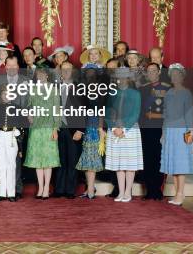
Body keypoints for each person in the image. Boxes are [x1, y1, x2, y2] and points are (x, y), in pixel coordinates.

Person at [105, 67, 143, 203]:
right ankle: (120, 192)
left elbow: (135, 113)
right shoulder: (111, 93)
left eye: (123, 76)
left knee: (130, 165)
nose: (120, 79)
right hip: (114, 130)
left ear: (128, 78)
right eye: (118, 76)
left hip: (130, 131)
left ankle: (128, 192)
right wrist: (114, 127)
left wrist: (123, 128)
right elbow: (107, 112)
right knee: (119, 164)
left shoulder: (135, 94)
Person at [161, 63, 193, 206]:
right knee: (173, 164)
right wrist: (163, 133)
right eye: (172, 75)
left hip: (181, 131)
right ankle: (177, 194)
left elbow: (189, 114)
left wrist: (190, 132)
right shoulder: (168, 93)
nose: (174, 77)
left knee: (180, 164)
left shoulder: (186, 93)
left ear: (182, 76)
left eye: (177, 75)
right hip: (169, 131)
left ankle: (180, 193)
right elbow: (165, 114)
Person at [25, 67, 60, 199]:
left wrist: (55, 128)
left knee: (48, 159)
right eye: (38, 74)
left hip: (48, 127)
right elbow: (29, 105)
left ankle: (46, 188)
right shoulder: (33, 89)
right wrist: (29, 114)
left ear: (47, 75)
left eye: (43, 74)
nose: (40, 76)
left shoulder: (53, 89)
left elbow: (57, 109)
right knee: (37, 159)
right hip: (36, 128)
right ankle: (40, 187)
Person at [0, 88, 27, 202]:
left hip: (11, 137)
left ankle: (11, 193)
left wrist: (19, 132)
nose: (6, 96)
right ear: (1, 96)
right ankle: (1, 192)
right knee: (1, 165)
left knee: (11, 165)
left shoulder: (17, 108)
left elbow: (23, 124)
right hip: (0, 137)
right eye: (4, 94)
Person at [139, 62, 170, 200]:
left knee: (158, 159)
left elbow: (170, 111)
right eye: (149, 71)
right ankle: (149, 189)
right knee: (146, 159)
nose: (151, 73)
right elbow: (140, 111)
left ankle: (157, 189)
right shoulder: (143, 89)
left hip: (159, 128)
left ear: (159, 72)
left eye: (154, 70)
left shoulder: (167, 89)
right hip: (144, 128)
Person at [75, 65, 107, 199]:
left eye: (92, 73)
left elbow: (102, 110)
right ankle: (89, 188)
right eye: (88, 73)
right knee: (87, 160)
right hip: (84, 127)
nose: (90, 76)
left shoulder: (100, 91)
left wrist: (100, 129)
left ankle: (90, 190)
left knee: (92, 159)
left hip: (94, 127)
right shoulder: (83, 90)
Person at [54, 61, 85, 199]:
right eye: (63, 69)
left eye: (69, 69)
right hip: (58, 128)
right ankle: (59, 189)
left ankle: (70, 190)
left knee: (72, 160)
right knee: (59, 160)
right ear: (60, 71)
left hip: (74, 129)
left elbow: (85, 109)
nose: (66, 72)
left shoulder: (80, 87)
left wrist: (80, 130)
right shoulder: (55, 87)